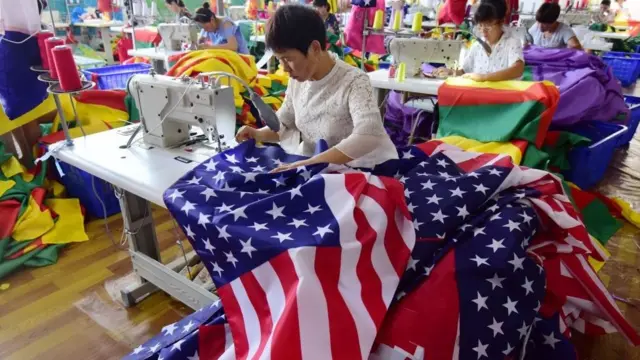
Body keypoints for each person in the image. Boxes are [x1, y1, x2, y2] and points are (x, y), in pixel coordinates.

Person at [235, 4, 397, 170]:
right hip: (320, 168)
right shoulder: (298, 80)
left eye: (288, 59)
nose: (284, 69)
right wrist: (257, 134)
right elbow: (283, 124)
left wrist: (309, 163)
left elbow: (369, 134)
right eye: (279, 60)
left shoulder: (354, 81)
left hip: (364, 169)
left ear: (314, 48)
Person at [432, 1, 524, 82]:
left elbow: (517, 69)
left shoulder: (512, 43)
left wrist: (484, 78)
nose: (483, 31)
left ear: (501, 21)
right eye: (480, 26)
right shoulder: (477, 46)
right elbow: (465, 72)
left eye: (488, 26)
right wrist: (452, 72)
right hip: (478, 98)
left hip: (502, 99)